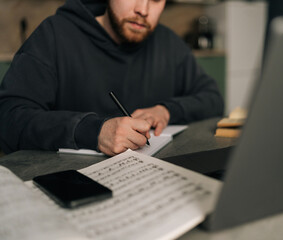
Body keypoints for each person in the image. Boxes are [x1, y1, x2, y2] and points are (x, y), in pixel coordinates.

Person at [0, 0, 224, 156]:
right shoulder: (54, 35)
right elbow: (9, 118)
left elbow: (213, 99)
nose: (143, 9)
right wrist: (92, 131)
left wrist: (167, 110)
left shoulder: (168, 43)